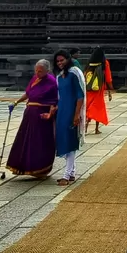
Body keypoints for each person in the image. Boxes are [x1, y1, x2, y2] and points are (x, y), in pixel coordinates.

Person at [6, 59, 58, 178]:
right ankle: (22, 167)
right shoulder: (35, 79)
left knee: (39, 142)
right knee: (25, 140)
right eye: (36, 71)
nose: (37, 73)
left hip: (41, 116)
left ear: (47, 71)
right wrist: (16, 102)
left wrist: (50, 114)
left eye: (40, 71)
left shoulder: (51, 82)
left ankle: (40, 169)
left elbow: (54, 101)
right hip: (29, 114)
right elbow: (28, 93)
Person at [53, 49, 85, 185]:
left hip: (72, 111)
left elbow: (80, 95)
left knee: (70, 142)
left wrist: (77, 114)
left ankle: (66, 175)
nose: (60, 63)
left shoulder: (74, 73)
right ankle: (71, 172)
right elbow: (59, 96)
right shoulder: (59, 76)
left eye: (62, 60)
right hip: (62, 112)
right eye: (58, 61)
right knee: (63, 140)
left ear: (68, 59)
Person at [85, 49, 113, 131]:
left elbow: (84, 74)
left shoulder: (89, 63)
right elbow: (108, 78)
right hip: (99, 89)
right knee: (98, 107)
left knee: (89, 106)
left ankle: (86, 126)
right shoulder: (104, 63)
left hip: (89, 89)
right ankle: (96, 129)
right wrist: (110, 89)